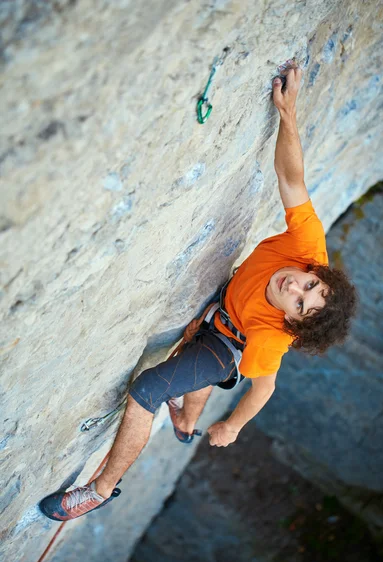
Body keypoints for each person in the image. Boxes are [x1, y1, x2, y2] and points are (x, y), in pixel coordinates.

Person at [40, 65, 357, 521]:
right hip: (222, 306)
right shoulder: (307, 248)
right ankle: (186, 423)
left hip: (228, 345)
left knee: (149, 389)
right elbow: (292, 180)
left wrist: (232, 425)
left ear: (291, 321)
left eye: (300, 305)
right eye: (310, 285)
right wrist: (288, 116)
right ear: (316, 271)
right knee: (187, 397)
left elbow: (263, 386)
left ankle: (100, 490)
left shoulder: (270, 340)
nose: (296, 288)